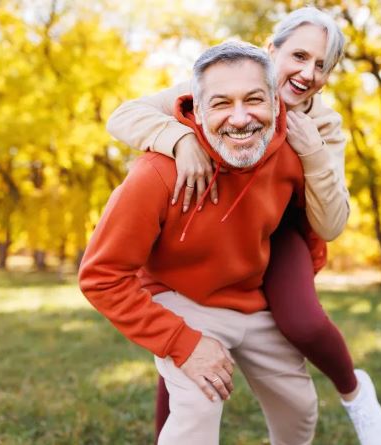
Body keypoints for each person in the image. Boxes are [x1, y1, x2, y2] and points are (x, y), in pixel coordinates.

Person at [106, 7, 381, 445]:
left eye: (321, 66)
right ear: (270, 49)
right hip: (211, 225)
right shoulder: (226, 87)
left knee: (303, 322)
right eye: (299, 55)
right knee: (187, 332)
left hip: (280, 229)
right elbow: (124, 117)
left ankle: (354, 392)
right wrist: (180, 139)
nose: (307, 72)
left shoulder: (324, 124)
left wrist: (312, 152)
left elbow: (333, 220)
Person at [80, 41, 320, 444]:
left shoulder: (290, 161)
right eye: (222, 103)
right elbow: (101, 277)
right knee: (199, 404)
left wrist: (296, 291)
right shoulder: (156, 174)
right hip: (180, 298)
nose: (241, 118)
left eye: (255, 100)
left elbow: (304, 229)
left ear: (277, 105)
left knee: (299, 406)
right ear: (198, 108)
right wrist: (181, 341)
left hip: (253, 302)